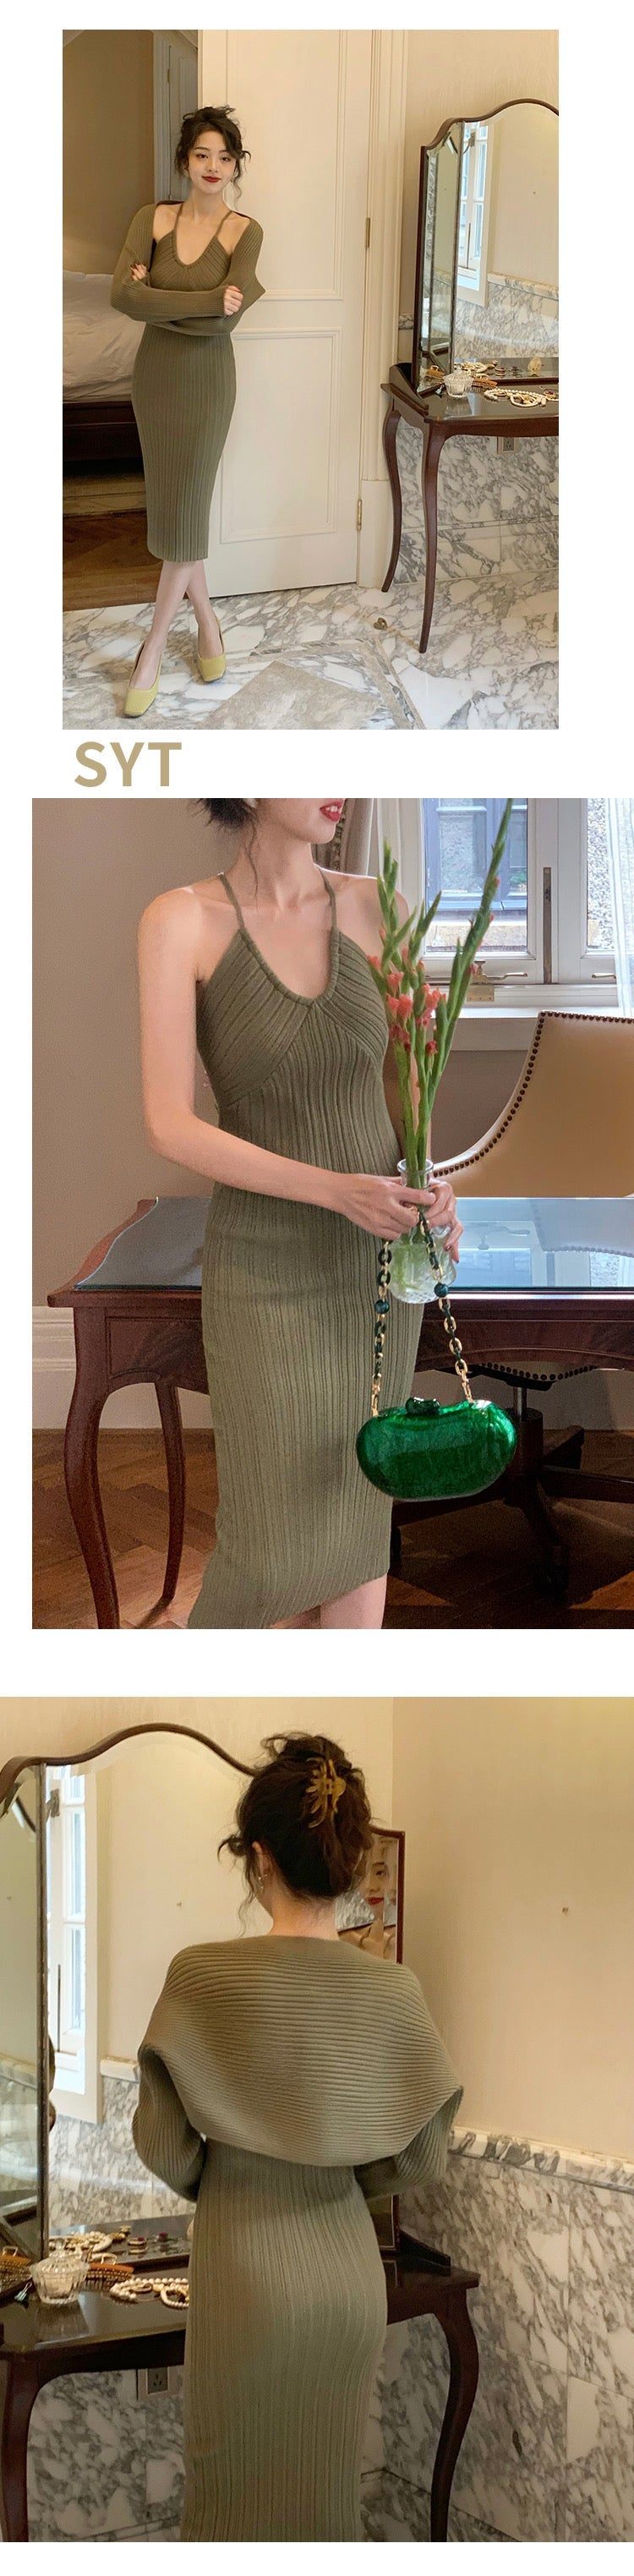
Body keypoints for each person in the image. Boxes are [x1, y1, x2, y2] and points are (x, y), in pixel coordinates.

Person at [138, 797, 462, 1629]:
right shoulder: (179, 920)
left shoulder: (379, 905)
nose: (335, 784)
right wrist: (334, 1189)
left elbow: (404, 1084)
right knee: (266, 1552)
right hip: (266, 1266)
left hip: (377, 1269)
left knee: (360, 1512)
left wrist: (429, 1183)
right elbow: (169, 1123)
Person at [134, 1731, 462, 2543]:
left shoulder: (200, 1975)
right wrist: (339, 2173)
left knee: (229, 2509)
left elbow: (165, 2145)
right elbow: (424, 2152)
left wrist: (230, 2174)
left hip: (243, 2268)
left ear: (259, 1857)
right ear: (350, 1864)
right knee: (325, 2504)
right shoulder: (395, 1990)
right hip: (348, 2275)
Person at [111, 107, 264, 715]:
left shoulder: (246, 231)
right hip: (155, 379)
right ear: (184, 160)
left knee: (188, 511)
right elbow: (121, 296)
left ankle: (151, 649)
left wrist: (155, 297)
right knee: (178, 513)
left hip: (207, 384)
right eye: (203, 155)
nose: (213, 167)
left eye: (225, 157)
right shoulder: (151, 219)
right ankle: (207, 625)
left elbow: (223, 324)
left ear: (235, 165)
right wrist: (206, 298)